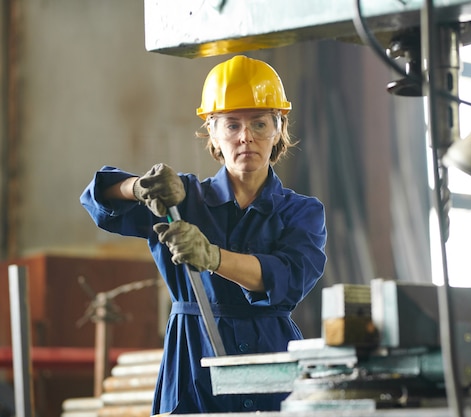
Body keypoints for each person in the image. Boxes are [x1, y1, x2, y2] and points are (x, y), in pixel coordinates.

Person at [80, 55, 327, 414]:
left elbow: (287, 279)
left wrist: (212, 257)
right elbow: (97, 199)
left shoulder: (301, 212)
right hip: (192, 358)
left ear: (279, 129)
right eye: (231, 125)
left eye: (259, 124)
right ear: (212, 131)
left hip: (271, 360)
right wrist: (138, 187)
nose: (246, 137)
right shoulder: (180, 199)